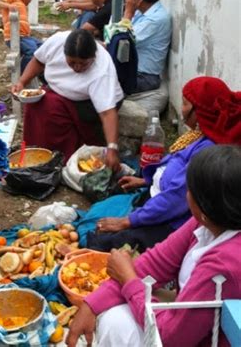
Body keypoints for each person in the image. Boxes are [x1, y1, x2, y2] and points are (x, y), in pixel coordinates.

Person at [66, 144, 241, 347]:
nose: (186, 195)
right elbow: (155, 263)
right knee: (113, 306)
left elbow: (170, 337)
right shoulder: (205, 222)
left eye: (189, 189)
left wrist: (128, 279)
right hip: (187, 323)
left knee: (115, 321)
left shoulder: (225, 264)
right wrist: (92, 304)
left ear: (204, 204)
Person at [87, 77, 241, 252]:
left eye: (184, 104)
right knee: (102, 208)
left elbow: (176, 198)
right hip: (159, 197)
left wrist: (127, 222)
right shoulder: (200, 135)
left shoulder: (207, 154)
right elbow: (175, 167)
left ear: (199, 113)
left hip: (173, 220)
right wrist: (146, 180)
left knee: (102, 241)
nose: (181, 109)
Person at [11, 29, 124, 170]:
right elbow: (38, 61)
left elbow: (107, 113)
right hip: (60, 92)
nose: (77, 67)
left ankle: (63, 157)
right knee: (35, 104)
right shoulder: (57, 41)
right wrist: (22, 82)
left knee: (53, 110)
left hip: (89, 103)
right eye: (72, 62)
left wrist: (112, 149)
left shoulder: (102, 72)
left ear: (93, 57)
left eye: (83, 64)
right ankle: (38, 151)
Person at [123, 0, 171, 93]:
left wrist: (127, 13)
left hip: (144, 77)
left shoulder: (155, 19)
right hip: (132, 70)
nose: (126, 0)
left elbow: (121, 41)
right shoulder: (142, 12)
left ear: (139, 0)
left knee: (104, 85)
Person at [0, 0, 42, 74]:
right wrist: (9, 6)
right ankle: (22, 74)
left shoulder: (22, 3)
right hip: (15, 36)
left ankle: (41, 76)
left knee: (43, 48)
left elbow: (28, 1)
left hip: (26, 36)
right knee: (32, 50)